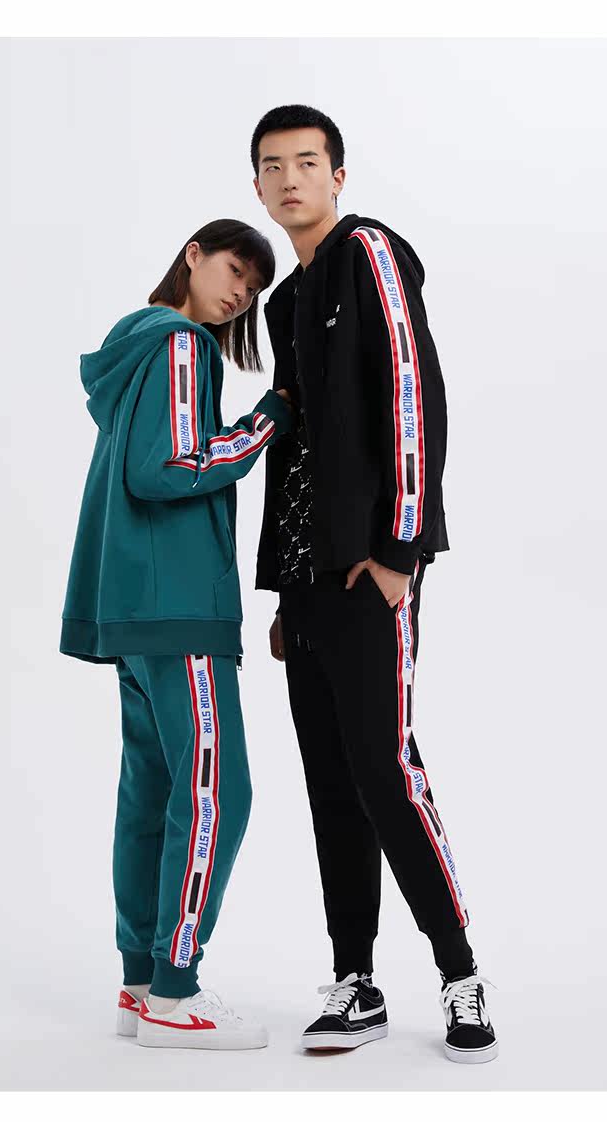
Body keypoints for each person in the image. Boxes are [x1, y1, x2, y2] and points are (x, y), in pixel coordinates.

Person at [250, 105, 498, 1064]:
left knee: (388, 770)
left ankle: (460, 973)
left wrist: (401, 547)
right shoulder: (285, 301)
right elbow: (299, 450)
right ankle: (354, 982)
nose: (290, 180)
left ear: (338, 176)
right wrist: (284, 590)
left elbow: (411, 393)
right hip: (308, 583)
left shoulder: (370, 253)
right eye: (272, 167)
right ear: (257, 185)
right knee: (331, 782)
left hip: (372, 570)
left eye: (306, 162)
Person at [60, 219, 293, 1050]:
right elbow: (169, 467)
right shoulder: (183, 345)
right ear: (193, 255)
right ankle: (175, 991)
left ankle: (139, 981)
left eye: (253, 288)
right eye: (234, 269)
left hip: (131, 605)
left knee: (153, 792)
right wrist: (266, 422)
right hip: (179, 601)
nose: (240, 294)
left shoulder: (134, 348)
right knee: (218, 793)